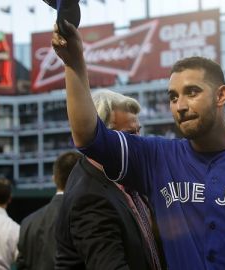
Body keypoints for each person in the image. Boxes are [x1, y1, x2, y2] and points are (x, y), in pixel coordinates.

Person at [52, 20, 225, 269]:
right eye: (173, 97)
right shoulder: (156, 157)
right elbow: (88, 137)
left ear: (221, 95)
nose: (180, 105)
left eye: (192, 92)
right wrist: (74, 63)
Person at [55, 90, 163, 270]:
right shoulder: (89, 196)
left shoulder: (128, 177)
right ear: (103, 138)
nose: (139, 141)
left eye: (138, 131)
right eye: (130, 134)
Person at [17, 151, 82, 270]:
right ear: (81, 178)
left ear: (54, 179)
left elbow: (21, 265)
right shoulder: (88, 218)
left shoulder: (27, 223)